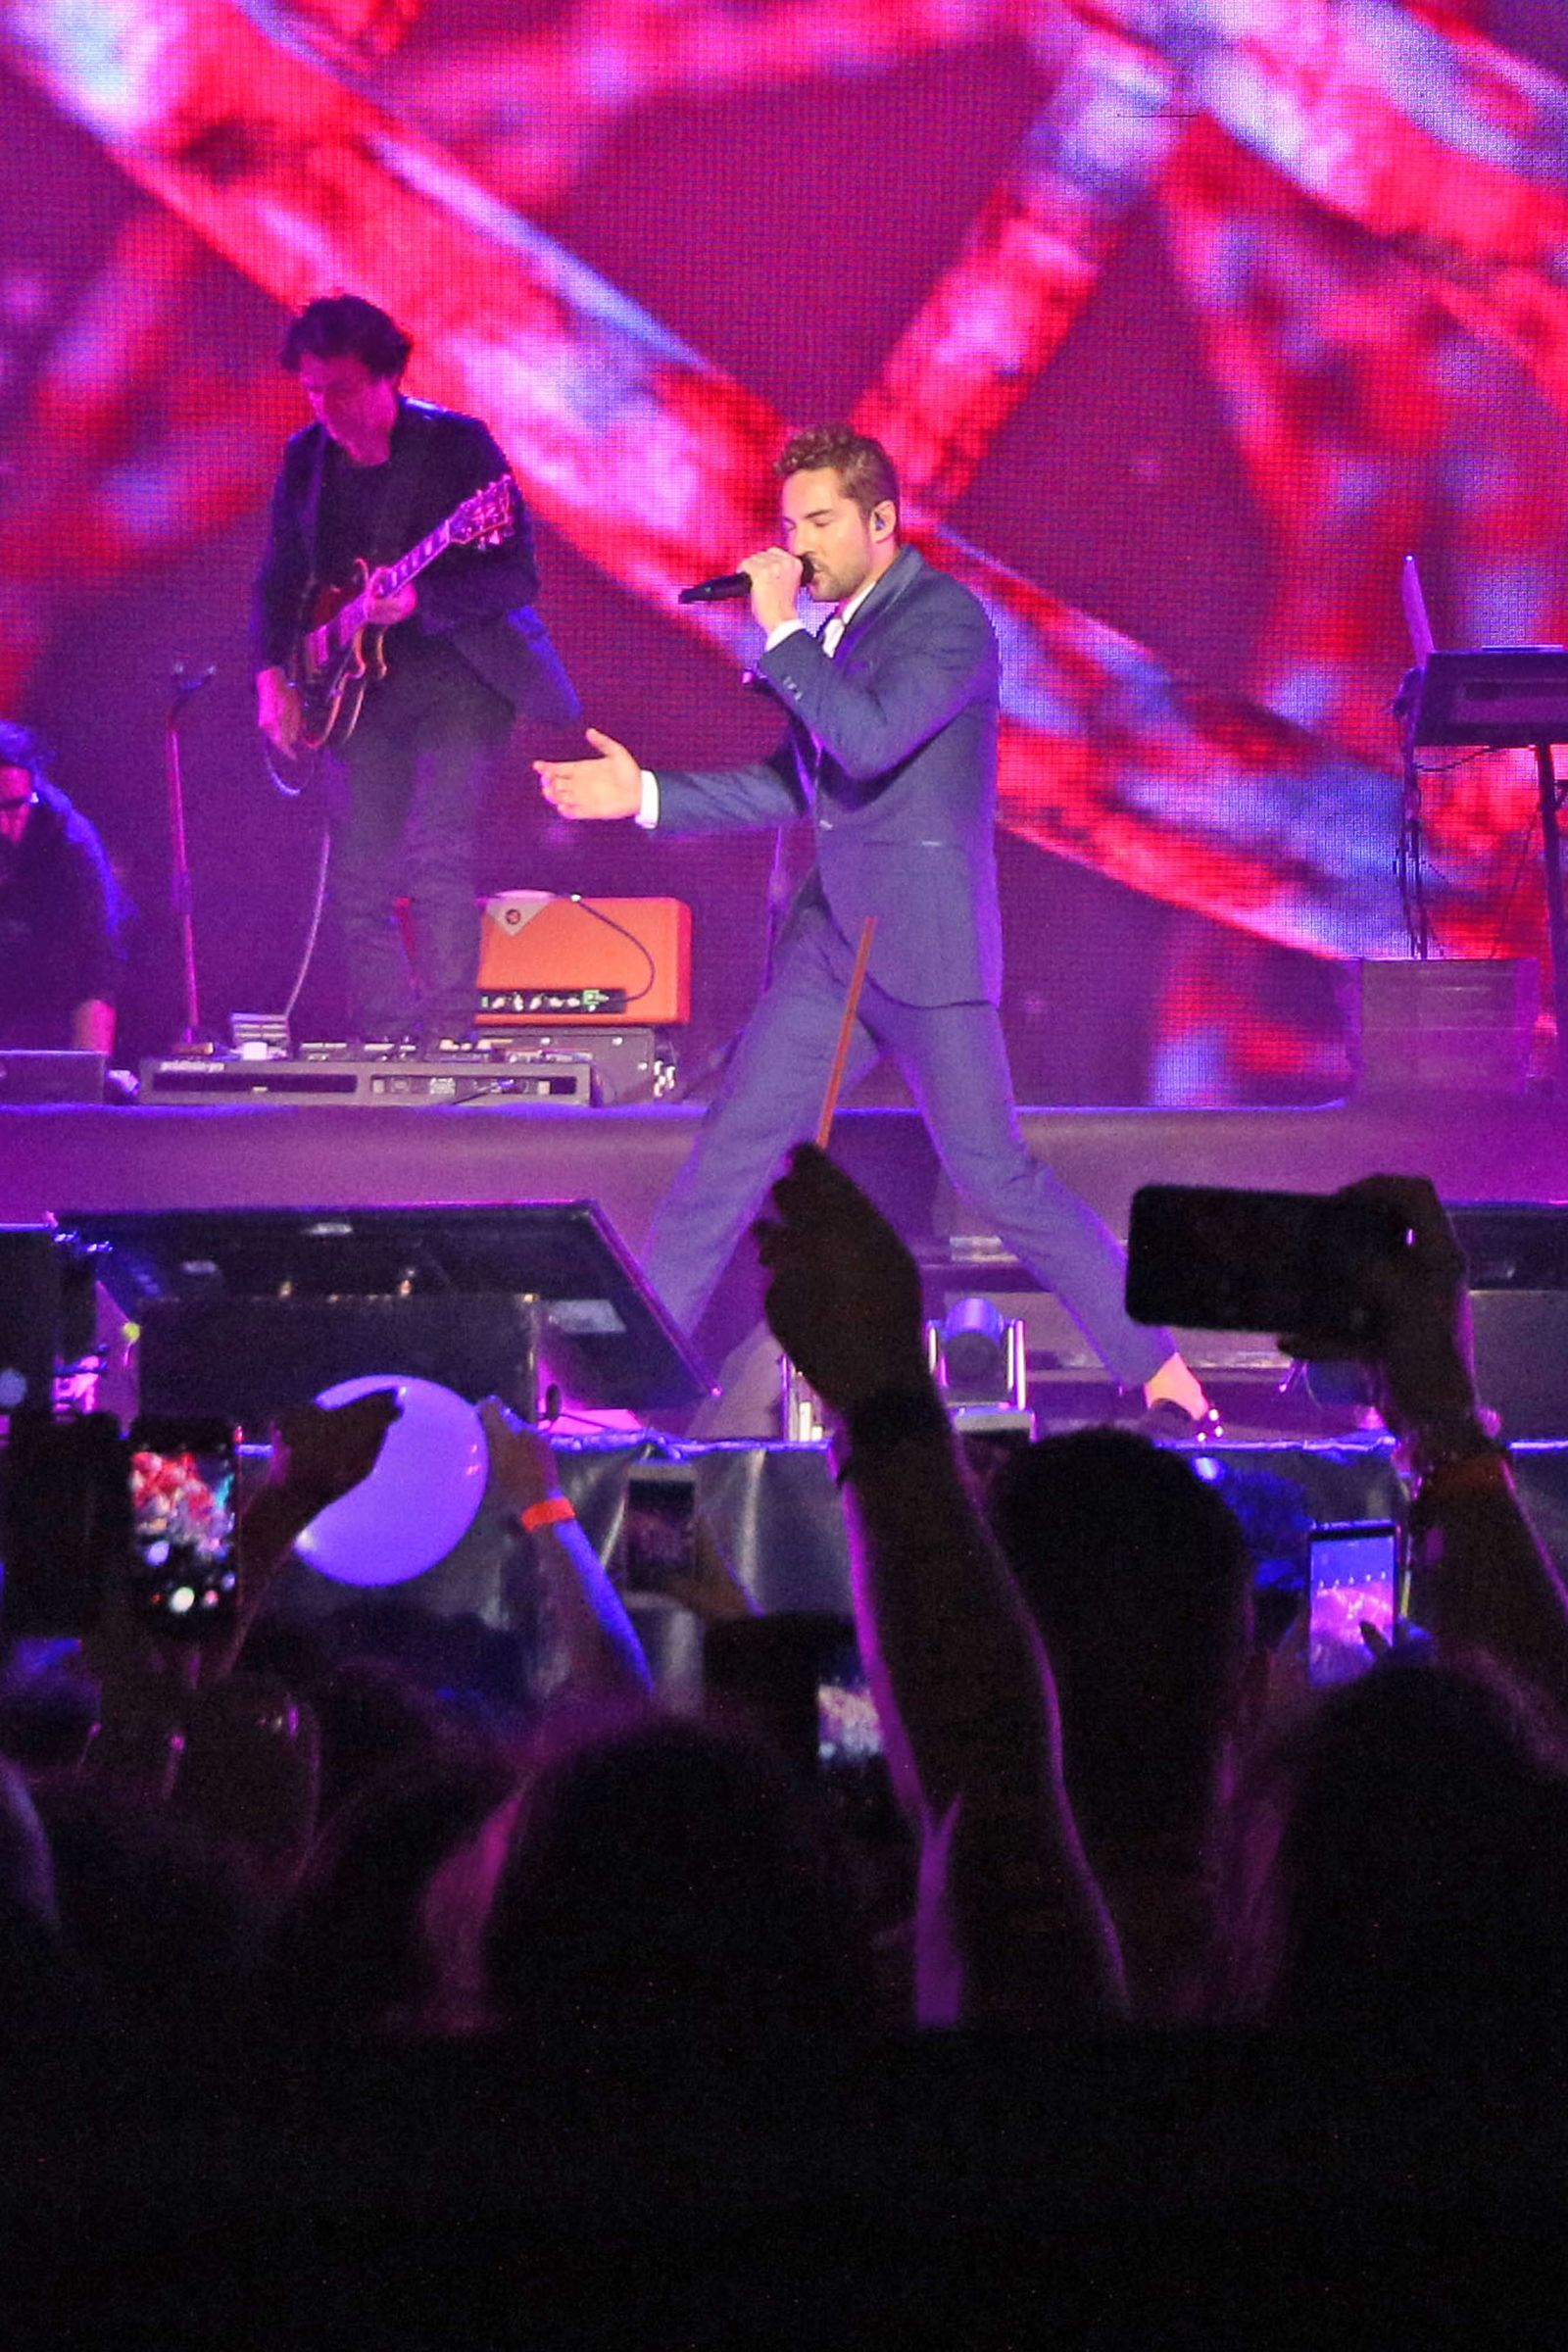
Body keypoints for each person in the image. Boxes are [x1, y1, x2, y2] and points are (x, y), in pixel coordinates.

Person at [536, 425, 1208, 1421]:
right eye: (788, 523)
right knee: (726, 1157)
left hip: (924, 947)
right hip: (830, 948)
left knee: (995, 1174)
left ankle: (1159, 1371)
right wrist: (642, 795)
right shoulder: (834, 635)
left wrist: (782, 635)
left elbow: (870, 738)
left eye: (819, 521)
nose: (797, 544)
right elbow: (791, 784)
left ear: (879, 521)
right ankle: (620, 1401)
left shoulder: (945, 623)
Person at [253, 294, 579, 1046]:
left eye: (338, 388)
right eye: (311, 390)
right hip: (359, 698)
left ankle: (451, 1039)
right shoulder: (307, 461)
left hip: (457, 684)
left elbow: (516, 579)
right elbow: (278, 583)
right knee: (361, 878)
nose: (324, 406)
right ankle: (387, 1040)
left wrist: (420, 601)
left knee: (437, 854)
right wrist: (272, 677)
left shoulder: (460, 450)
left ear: (386, 376)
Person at [0, 720, 121, 1054]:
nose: (3, 824)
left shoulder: (73, 842)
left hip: (48, 1017)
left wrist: (86, 1087)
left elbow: (97, 966)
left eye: (14, 807)